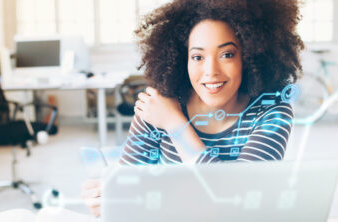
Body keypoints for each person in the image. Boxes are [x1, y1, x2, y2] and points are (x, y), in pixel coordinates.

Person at [81, 0, 304, 217]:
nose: (211, 71)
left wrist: (175, 125)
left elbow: (238, 197)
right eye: (197, 57)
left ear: (249, 56)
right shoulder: (158, 106)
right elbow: (127, 189)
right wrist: (106, 200)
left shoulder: (271, 111)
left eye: (227, 54)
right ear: (182, 59)